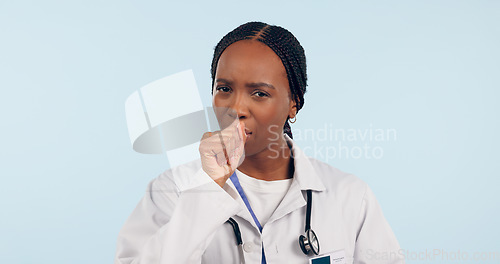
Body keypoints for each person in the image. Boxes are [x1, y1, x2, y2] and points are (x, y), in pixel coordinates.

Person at [114, 21, 404, 264]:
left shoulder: (350, 197)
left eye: (259, 93)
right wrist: (206, 189)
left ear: (293, 104)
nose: (237, 108)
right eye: (224, 89)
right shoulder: (171, 191)